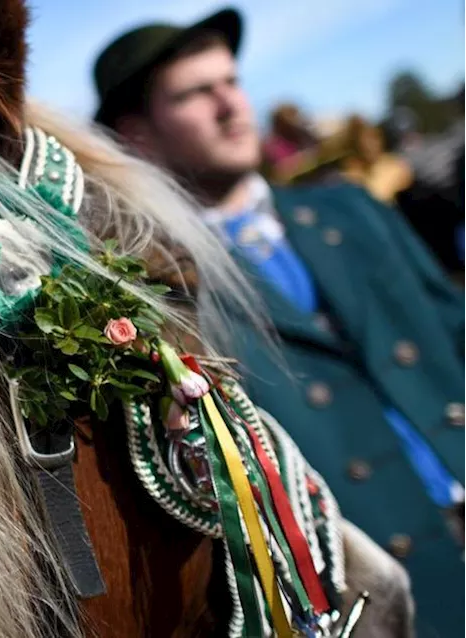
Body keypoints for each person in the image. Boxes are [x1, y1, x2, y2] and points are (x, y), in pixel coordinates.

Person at [90, 7, 466, 636]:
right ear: (137, 136)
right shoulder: (162, 294)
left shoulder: (348, 207)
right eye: (195, 93)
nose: (231, 105)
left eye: (231, 82)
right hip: (388, 591)